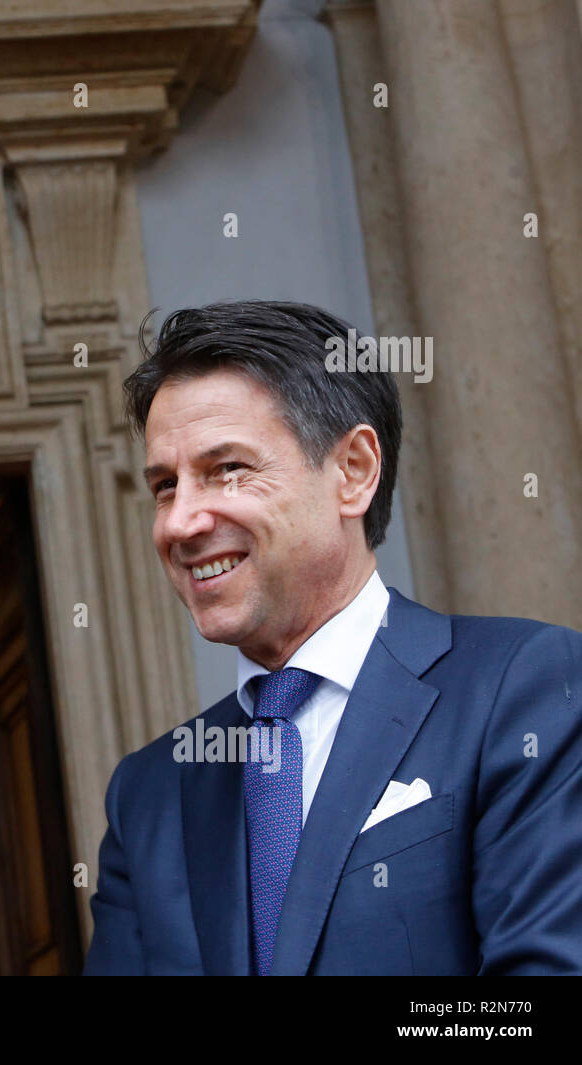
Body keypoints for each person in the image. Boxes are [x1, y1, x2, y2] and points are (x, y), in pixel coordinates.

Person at [84, 300, 582, 975]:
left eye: (227, 468)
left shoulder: (523, 690)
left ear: (353, 470)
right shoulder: (148, 794)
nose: (180, 521)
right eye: (165, 486)